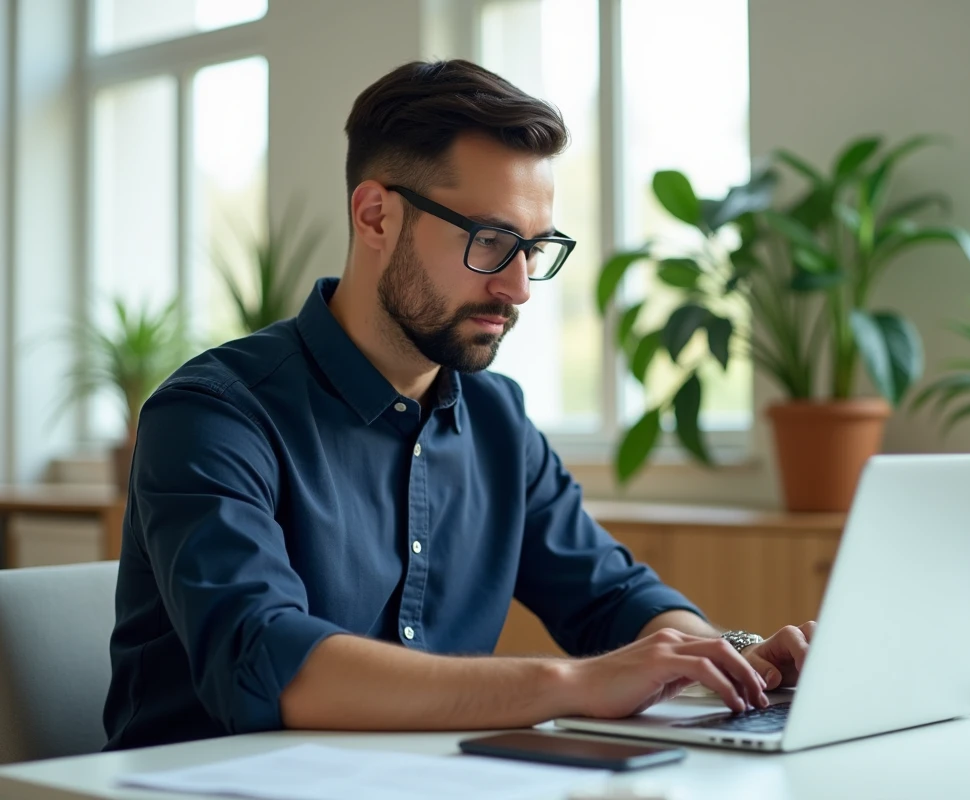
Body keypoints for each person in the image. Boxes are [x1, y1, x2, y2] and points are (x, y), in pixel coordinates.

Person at [103, 59, 815, 751]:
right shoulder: (214, 415)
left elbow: (612, 597)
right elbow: (269, 661)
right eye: (492, 241)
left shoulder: (498, 419)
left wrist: (727, 659)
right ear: (376, 216)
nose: (518, 287)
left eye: (534, 250)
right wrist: (570, 683)